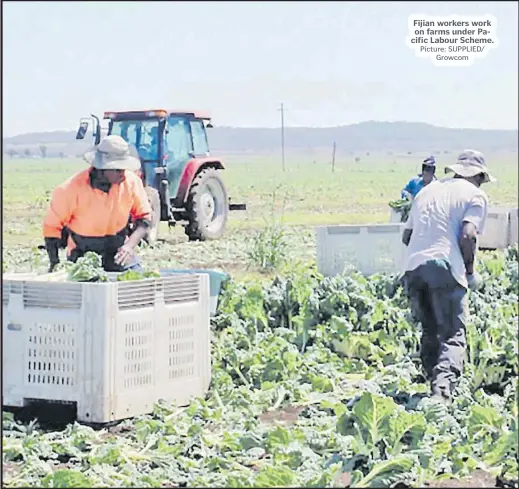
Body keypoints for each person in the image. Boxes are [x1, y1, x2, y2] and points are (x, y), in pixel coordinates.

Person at [401, 149, 494, 404]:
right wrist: (471, 272)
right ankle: (441, 396)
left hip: (412, 267)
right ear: (478, 176)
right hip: (445, 266)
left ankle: (431, 388)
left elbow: (406, 236)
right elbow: (468, 235)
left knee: (430, 329)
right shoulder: (475, 195)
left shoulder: (426, 191)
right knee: (453, 333)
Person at [43, 135, 152, 273]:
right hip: (83, 255)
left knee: (136, 286)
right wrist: (54, 264)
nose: (123, 174)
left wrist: (129, 246)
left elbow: (145, 219)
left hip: (119, 251)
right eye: (118, 169)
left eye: (124, 169)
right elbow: (51, 228)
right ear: (102, 168)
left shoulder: (131, 182)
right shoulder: (70, 189)